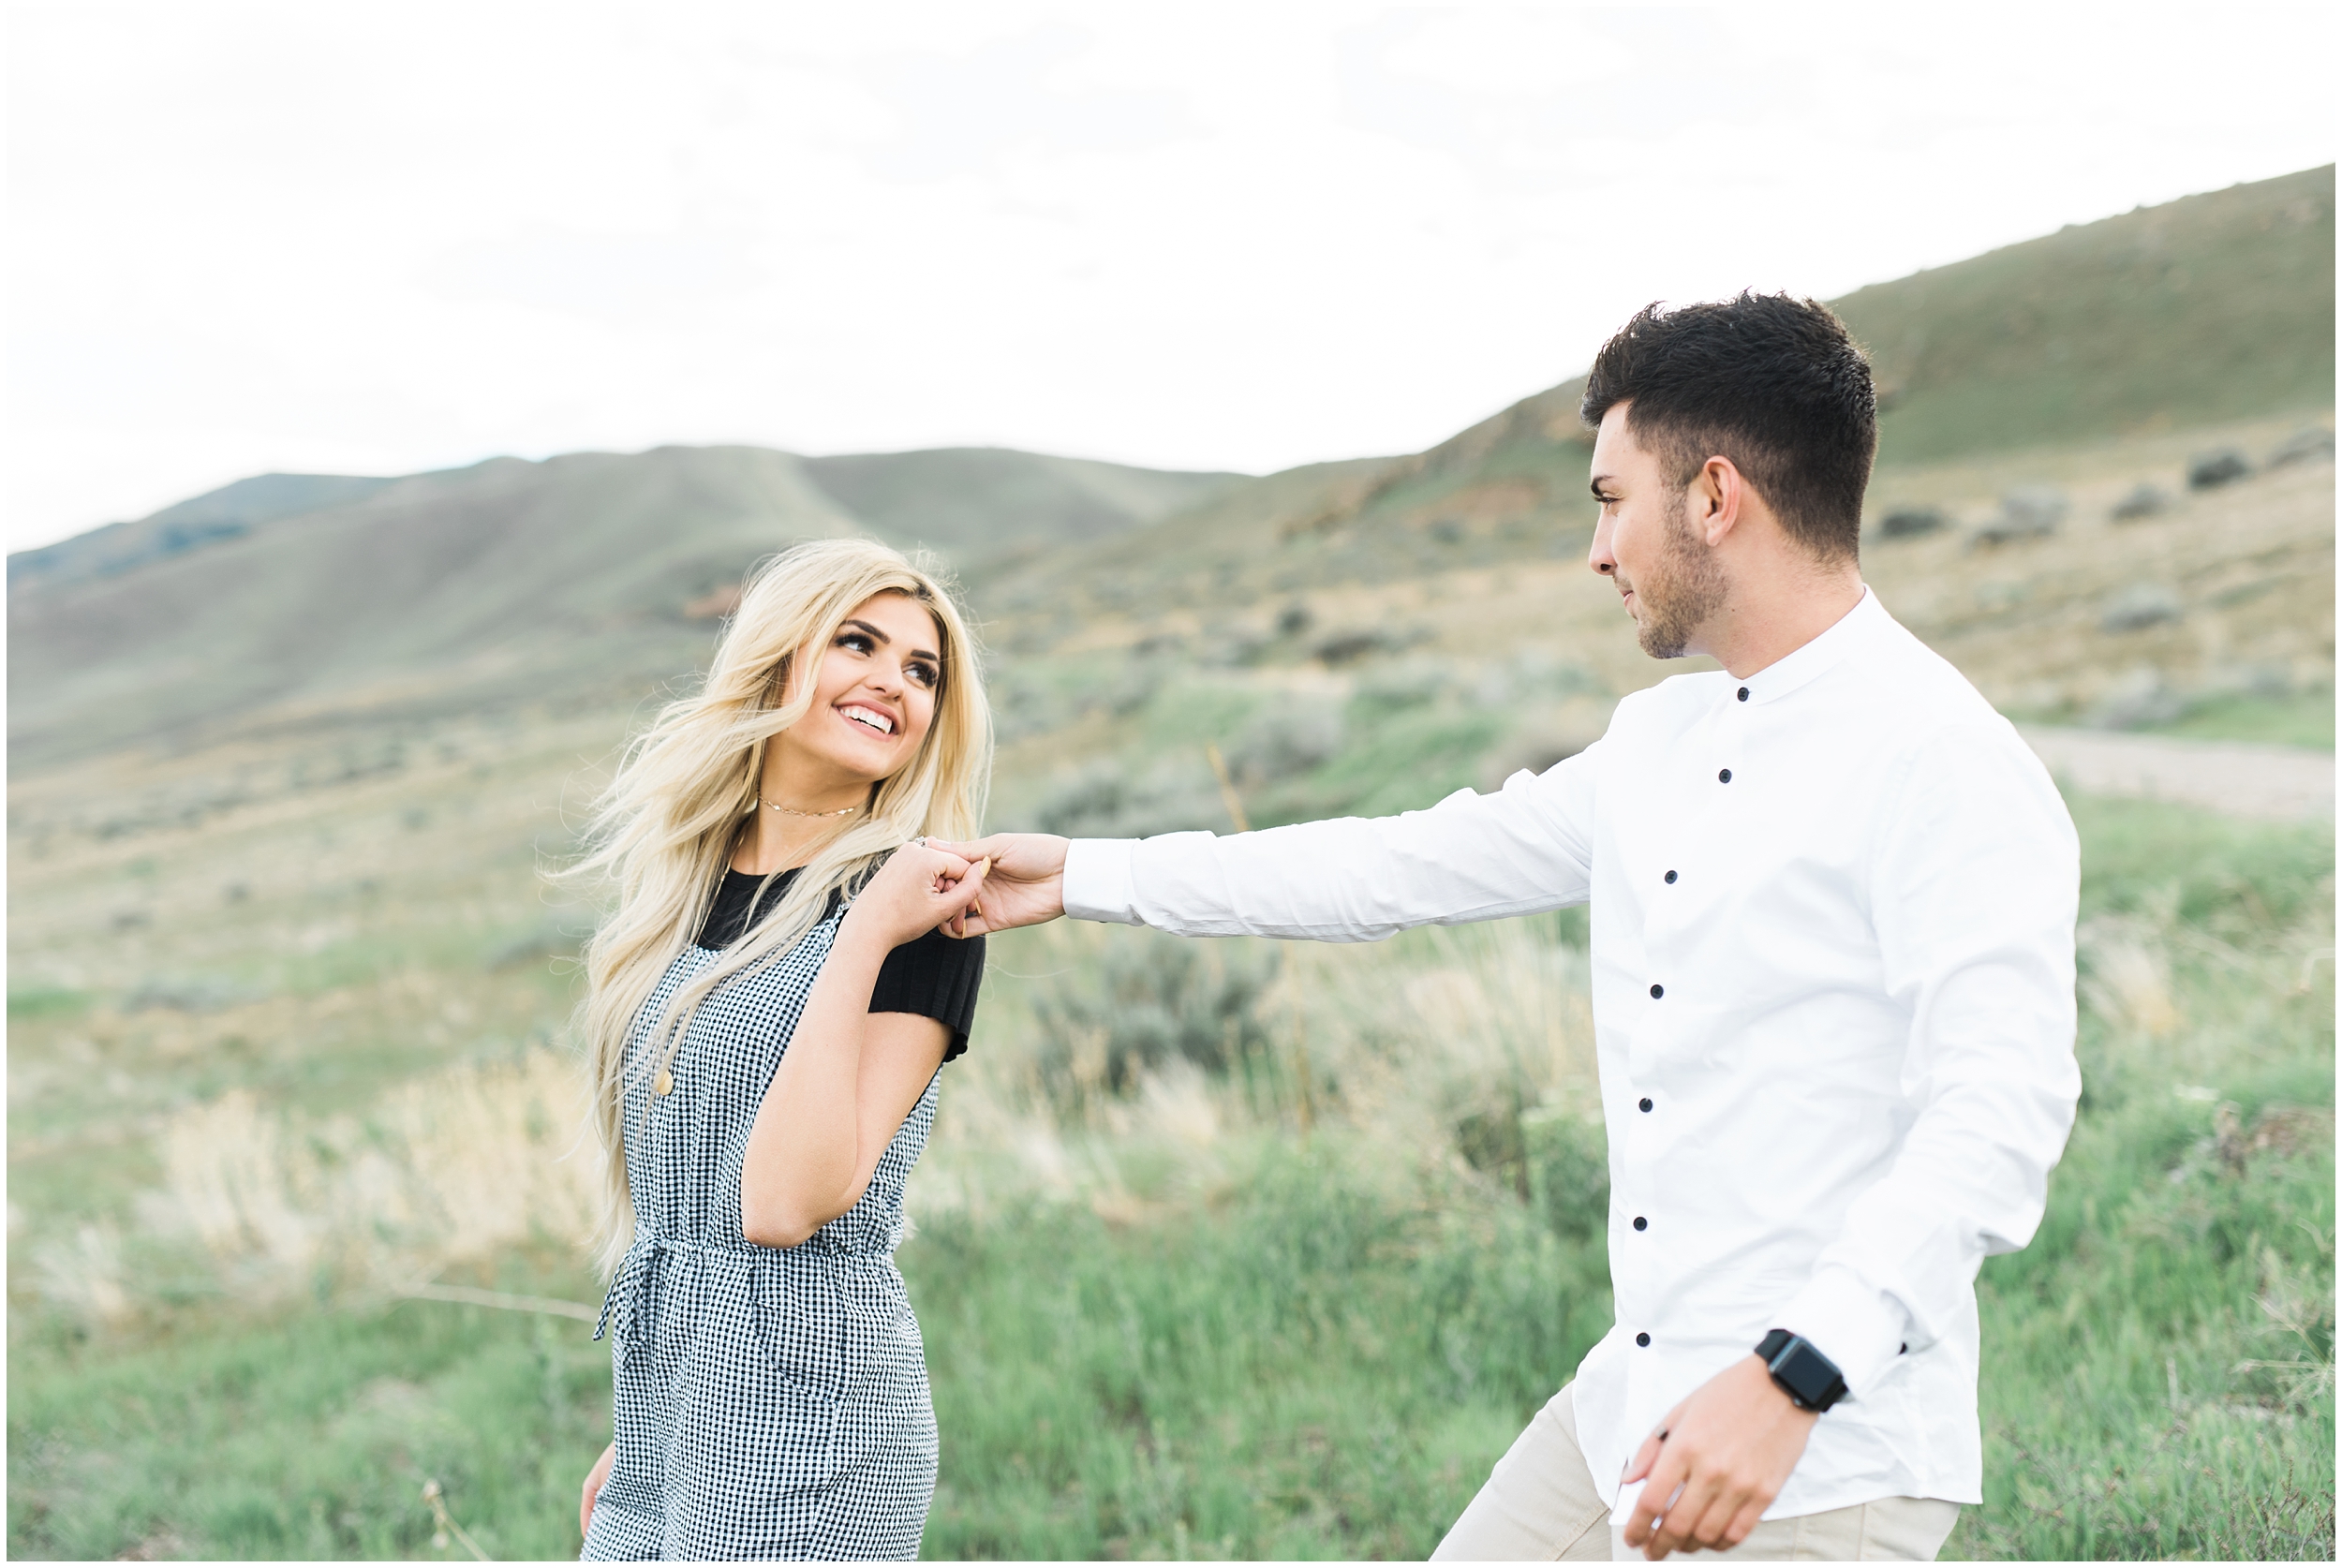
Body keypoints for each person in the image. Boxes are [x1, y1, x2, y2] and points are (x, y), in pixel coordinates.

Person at [940, 295, 2081, 1561]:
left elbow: (2000, 1110)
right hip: (1625, 1417)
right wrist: (1088, 872)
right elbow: (1394, 867)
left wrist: (1789, 1377)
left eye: (1610, 497)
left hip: (1818, 1457)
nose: (1597, 549)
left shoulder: (1942, 757)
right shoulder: (1662, 737)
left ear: (1713, 497)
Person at [569, 538, 994, 1561]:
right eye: (859, 643)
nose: (893, 683)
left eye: (922, 670)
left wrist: (861, 934)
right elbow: (681, 1193)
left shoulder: (919, 907)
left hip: (813, 1415)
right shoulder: (689, 883)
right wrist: (645, 1421)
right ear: (778, 658)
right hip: (674, 1406)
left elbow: (782, 1207)